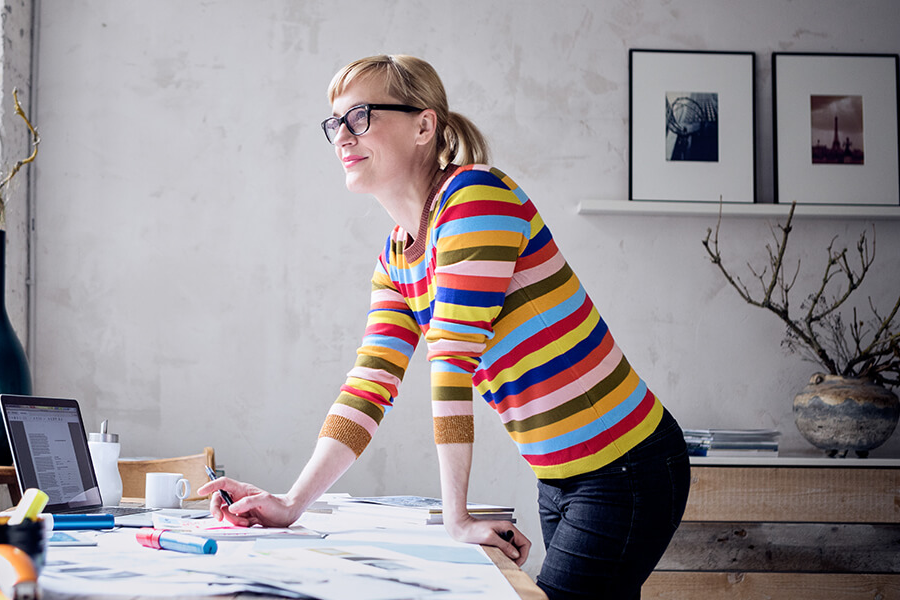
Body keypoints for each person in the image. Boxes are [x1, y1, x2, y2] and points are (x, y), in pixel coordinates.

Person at [197, 54, 691, 600]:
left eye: (359, 116)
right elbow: (369, 386)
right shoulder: (396, 258)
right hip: (561, 476)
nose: (342, 135)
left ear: (424, 125)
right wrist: (291, 505)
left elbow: (452, 359)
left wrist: (457, 516)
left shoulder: (476, 199)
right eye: (334, 122)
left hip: (626, 467)